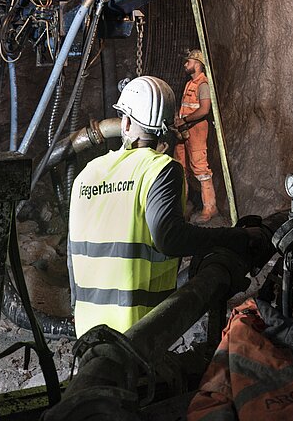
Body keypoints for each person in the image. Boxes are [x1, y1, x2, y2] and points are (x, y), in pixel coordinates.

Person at [67, 75, 257, 337]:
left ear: (126, 121)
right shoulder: (160, 170)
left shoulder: (87, 173)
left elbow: (71, 255)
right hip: (138, 326)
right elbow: (170, 238)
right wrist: (233, 237)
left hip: (87, 326)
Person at [174, 48, 219, 222]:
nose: (186, 64)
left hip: (196, 131)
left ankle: (210, 208)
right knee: (181, 169)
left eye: (189, 61)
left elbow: (205, 109)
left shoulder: (203, 84)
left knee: (200, 169)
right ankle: (183, 207)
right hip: (183, 132)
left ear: (198, 64)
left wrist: (184, 120)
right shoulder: (189, 84)